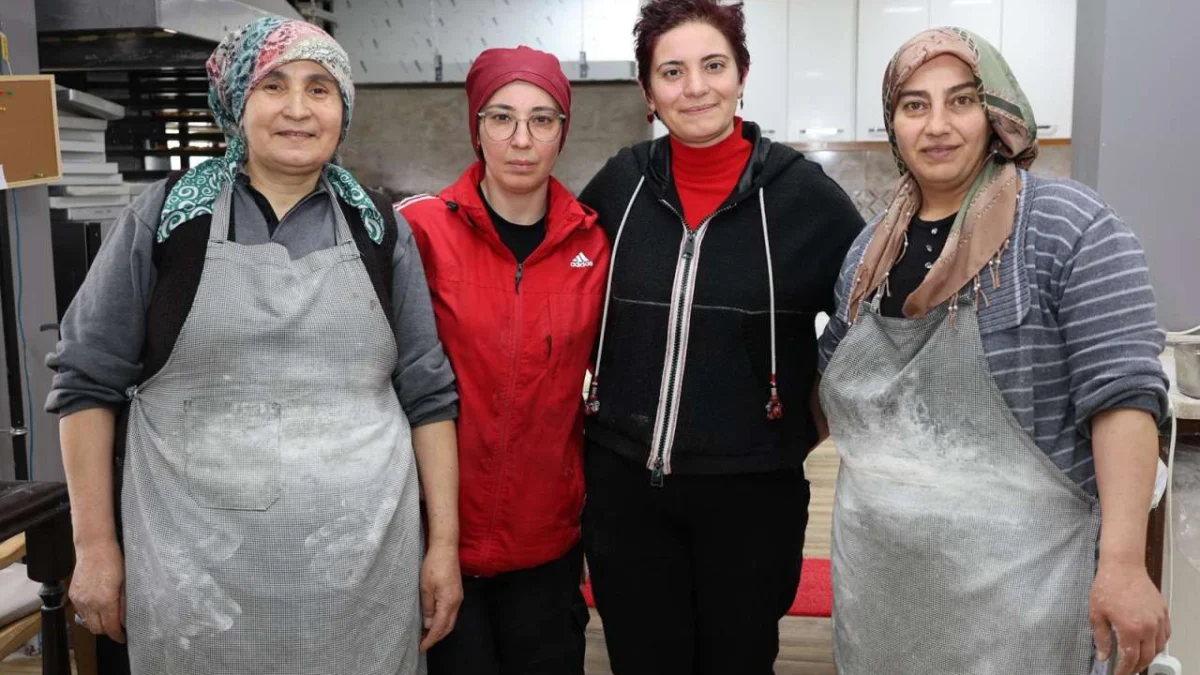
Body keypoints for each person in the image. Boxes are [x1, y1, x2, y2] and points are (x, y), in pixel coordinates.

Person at [45, 17, 461, 675]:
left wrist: (443, 547)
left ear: (342, 110)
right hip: (198, 583)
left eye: (320, 89)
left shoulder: (381, 228)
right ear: (238, 104)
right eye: (275, 85)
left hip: (359, 580)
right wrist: (95, 546)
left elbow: (429, 396)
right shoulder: (163, 221)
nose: (298, 109)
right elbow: (86, 382)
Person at [817, 27, 1171, 675]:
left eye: (961, 101)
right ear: (892, 123)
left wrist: (1122, 563)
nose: (937, 125)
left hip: (1025, 601)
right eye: (914, 105)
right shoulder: (869, 252)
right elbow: (837, 385)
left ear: (997, 112)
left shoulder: (1068, 227)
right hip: (882, 596)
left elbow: (1123, 395)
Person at [575, 1, 864, 672]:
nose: (695, 87)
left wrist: (809, 414)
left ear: (742, 75)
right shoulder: (620, 184)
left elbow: (868, 329)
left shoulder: (804, 198)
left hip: (752, 498)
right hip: (623, 490)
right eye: (671, 71)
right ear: (648, 91)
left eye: (713, 65)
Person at [395, 46, 608, 675]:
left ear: (562, 132)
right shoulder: (420, 231)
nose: (522, 139)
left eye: (542, 120)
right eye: (501, 118)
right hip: (434, 543)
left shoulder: (595, 245)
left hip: (547, 544)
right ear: (476, 127)